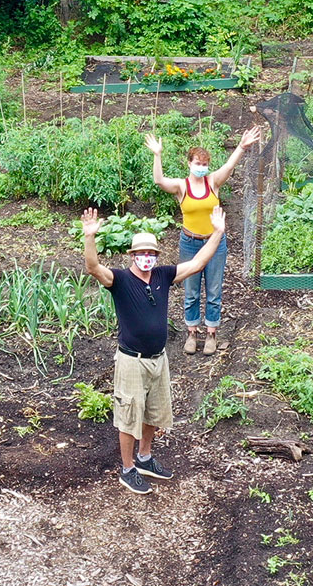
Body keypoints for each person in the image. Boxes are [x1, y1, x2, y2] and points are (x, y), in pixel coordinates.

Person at [80, 204, 227, 495]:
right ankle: (127, 469)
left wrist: (217, 233)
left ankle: (144, 458)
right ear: (132, 256)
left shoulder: (162, 276)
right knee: (129, 415)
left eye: (151, 254)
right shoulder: (120, 280)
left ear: (156, 257)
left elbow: (197, 264)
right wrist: (89, 237)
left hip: (158, 359)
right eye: (141, 254)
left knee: (153, 412)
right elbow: (93, 268)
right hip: (131, 360)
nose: (146, 258)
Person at [145, 126, 264, 355]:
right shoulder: (182, 186)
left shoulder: (213, 182)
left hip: (215, 243)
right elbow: (159, 180)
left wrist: (241, 146)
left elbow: (229, 166)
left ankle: (211, 334)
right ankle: (192, 333)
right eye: (198, 163)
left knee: (213, 290)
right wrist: (157, 155)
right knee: (190, 290)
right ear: (189, 164)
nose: (202, 167)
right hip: (190, 242)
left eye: (205, 164)